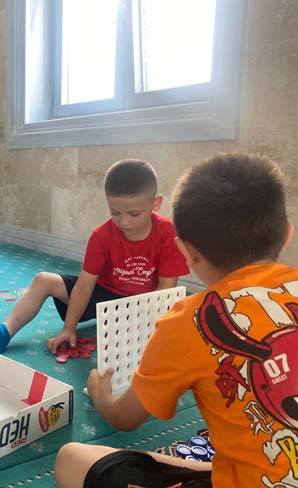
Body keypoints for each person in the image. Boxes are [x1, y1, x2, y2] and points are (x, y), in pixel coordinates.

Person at [54, 153, 297, 488]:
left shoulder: (192, 319)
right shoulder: (104, 237)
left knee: (71, 460)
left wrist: (99, 391)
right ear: (286, 235)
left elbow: (124, 417)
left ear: (186, 252)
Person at [0, 159, 189, 354]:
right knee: (43, 280)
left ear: (156, 203)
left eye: (134, 214)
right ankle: (4, 332)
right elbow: (85, 285)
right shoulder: (101, 235)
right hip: (104, 298)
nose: (124, 222)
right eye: (115, 212)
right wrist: (69, 328)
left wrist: (143, 329)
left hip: (142, 304)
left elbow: (166, 289)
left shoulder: (168, 233)